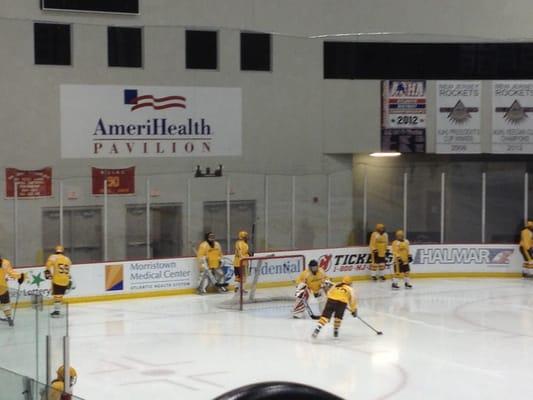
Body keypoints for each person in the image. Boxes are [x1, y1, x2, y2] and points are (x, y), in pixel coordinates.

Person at [45, 245, 73, 317]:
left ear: (56, 251)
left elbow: (47, 266)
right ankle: (57, 310)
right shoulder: (67, 259)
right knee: (60, 296)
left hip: (57, 279)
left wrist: (48, 274)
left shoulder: (53, 257)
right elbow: (69, 268)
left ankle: (57, 311)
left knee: (56, 296)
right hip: (65, 279)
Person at [0, 256, 24, 327]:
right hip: (2, 287)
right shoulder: (5, 262)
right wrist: (20, 276)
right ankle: (9, 318)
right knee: (5, 303)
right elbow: (12, 273)